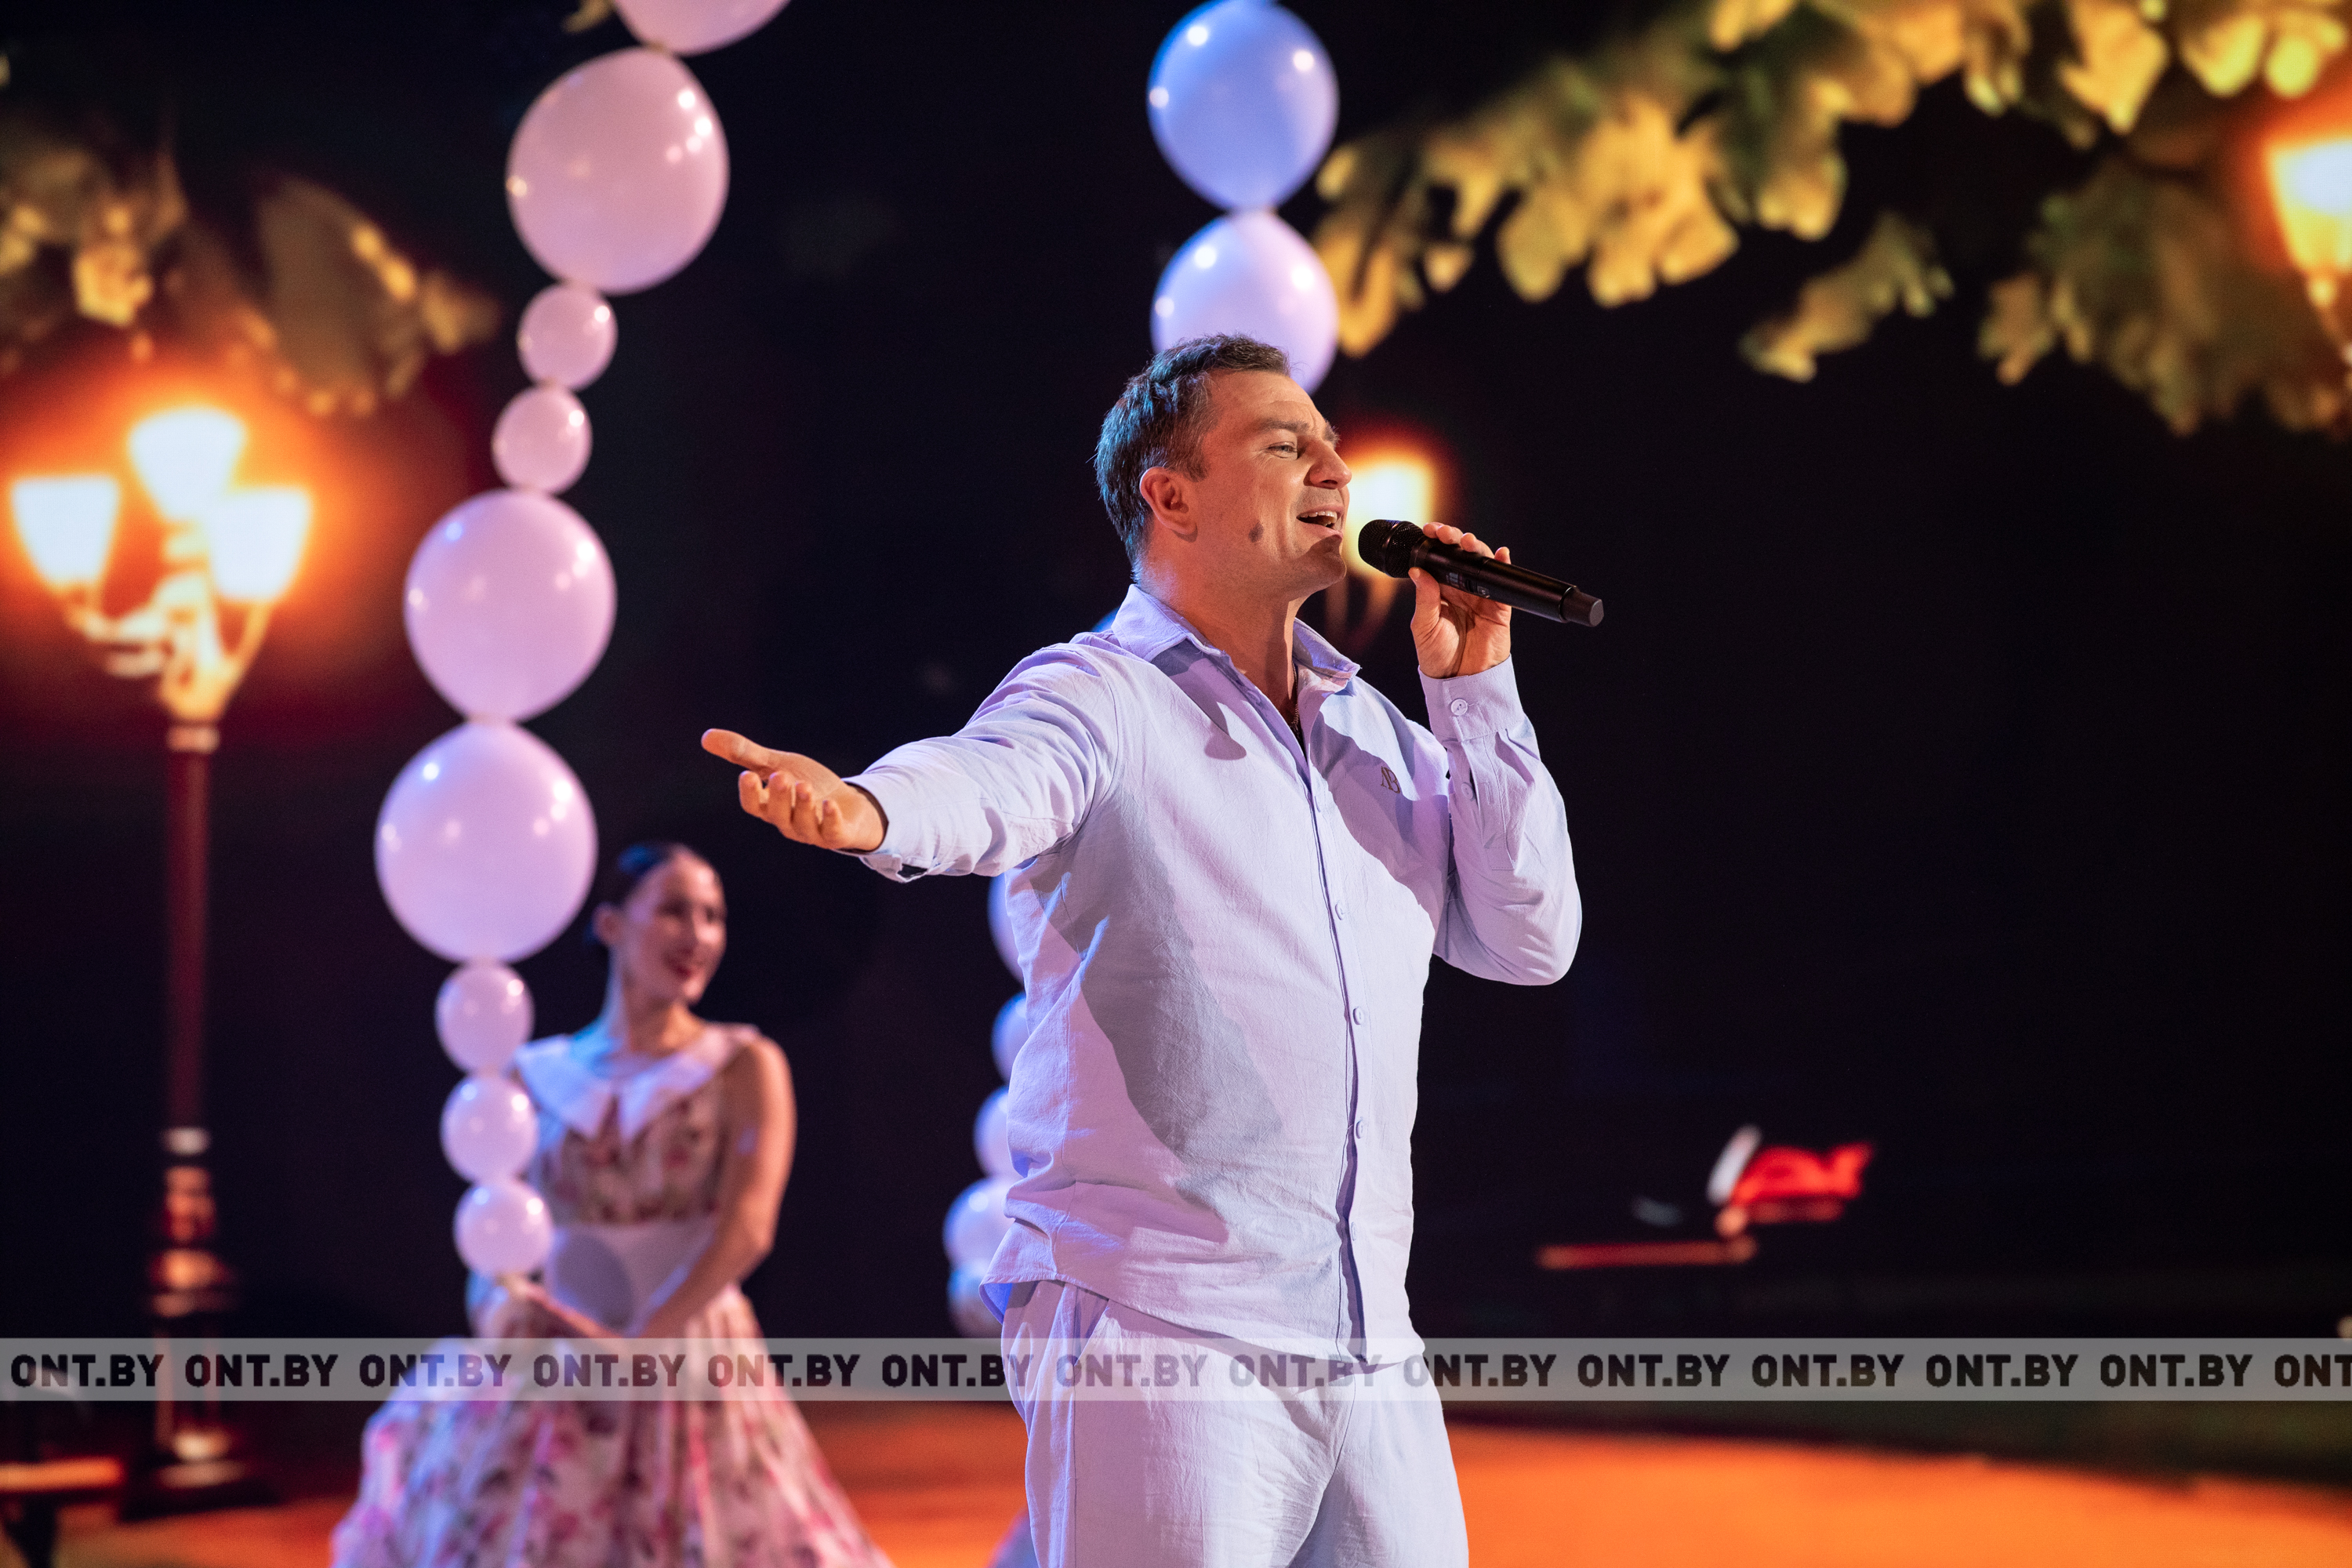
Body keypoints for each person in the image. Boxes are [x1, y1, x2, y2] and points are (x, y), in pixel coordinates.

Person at [703, 335, 1578, 1567]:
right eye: (1286, 444)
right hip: (1160, 1322)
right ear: (1171, 496)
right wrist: (869, 807)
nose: (1335, 469)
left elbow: (1531, 939)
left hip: (1368, 1336)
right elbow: (988, 779)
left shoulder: (1378, 735)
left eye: (1331, 444)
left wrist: (1478, 693)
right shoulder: (1098, 695)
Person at [332, 842, 892, 1568]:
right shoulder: (534, 1074)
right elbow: (497, 1224)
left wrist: (639, 1349)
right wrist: (506, 1311)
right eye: (674, 911)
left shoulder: (742, 1064)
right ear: (610, 925)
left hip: (686, 1345)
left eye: (713, 916)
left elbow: (749, 1227)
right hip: (560, 1352)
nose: (698, 935)